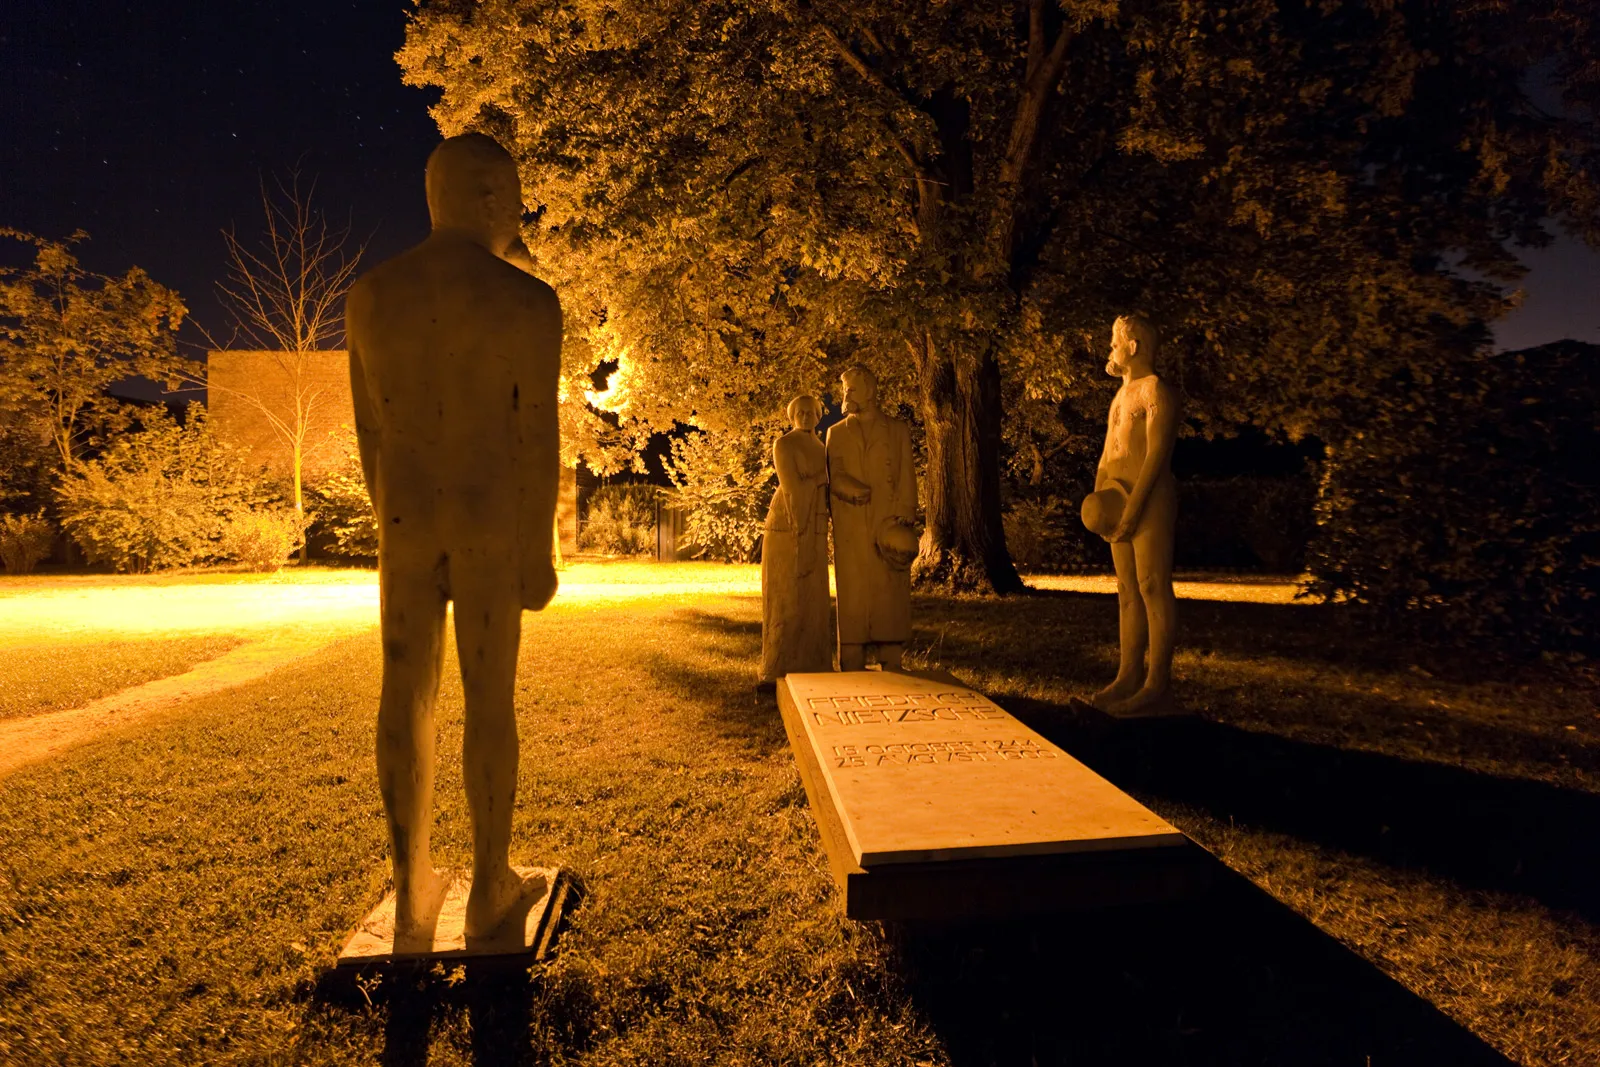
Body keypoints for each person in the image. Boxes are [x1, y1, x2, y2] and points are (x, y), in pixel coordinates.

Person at [345, 133, 562, 942]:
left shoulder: (370, 297)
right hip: (487, 520)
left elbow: (370, 434)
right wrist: (538, 548)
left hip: (404, 519)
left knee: (404, 689)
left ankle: (411, 890)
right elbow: (537, 436)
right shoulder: (527, 302)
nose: (516, 213)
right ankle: (488, 883)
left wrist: (390, 518)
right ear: (484, 198)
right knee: (488, 698)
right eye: (509, 196)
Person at [1084, 312, 1181, 716]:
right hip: (1116, 498)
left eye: (1113, 343)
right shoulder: (1120, 397)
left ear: (1134, 346)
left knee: (1151, 584)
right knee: (1126, 591)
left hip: (1150, 499)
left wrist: (1135, 507)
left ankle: (1157, 681)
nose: (1110, 350)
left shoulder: (1155, 391)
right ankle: (1127, 674)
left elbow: (1156, 455)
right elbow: (1108, 452)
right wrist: (1100, 498)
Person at [826, 365, 918, 672]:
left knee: (889, 585)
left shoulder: (896, 430)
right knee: (852, 585)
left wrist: (906, 512)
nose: (846, 395)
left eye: (851, 389)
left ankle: (890, 653)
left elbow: (907, 474)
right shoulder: (836, 433)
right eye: (844, 390)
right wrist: (848, 488)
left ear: (871, 391)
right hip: (851, 521)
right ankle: (851, 652)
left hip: (887, 519)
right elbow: (833, 473)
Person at [760, 395, 833, 683]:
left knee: (811, 596)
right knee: (786, 593)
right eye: (799, 412)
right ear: (792, 416)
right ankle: (780, 661)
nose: (805, 416)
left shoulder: (821, 447)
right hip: (786, 524)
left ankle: (814, 660)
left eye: (810, 412)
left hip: (814, 523)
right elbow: (791, 486)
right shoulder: (784, 444)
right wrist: (818, 479)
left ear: (818, 415)